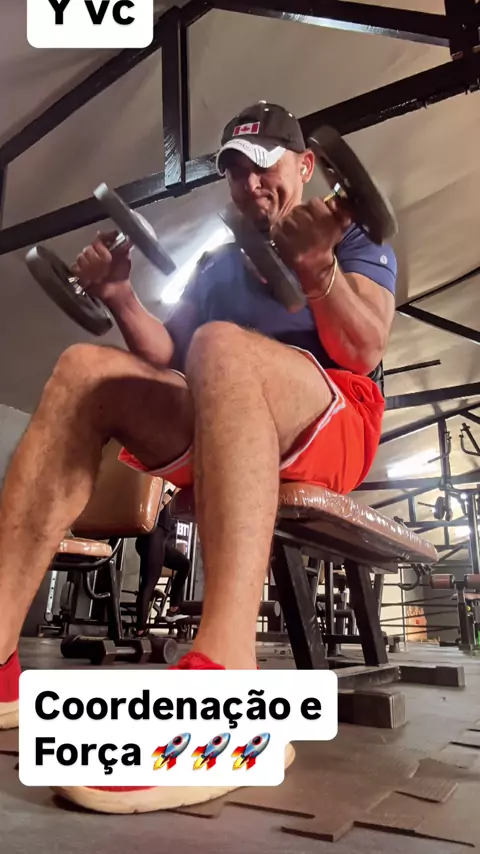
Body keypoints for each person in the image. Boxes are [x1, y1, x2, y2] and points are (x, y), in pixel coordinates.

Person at [0, 102, 396, 812]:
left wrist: (320, 272)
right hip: (224, 408)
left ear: (306, 166)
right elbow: (165, 356)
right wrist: (120, 296)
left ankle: (229, 694)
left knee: (221, 346)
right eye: (236, 171)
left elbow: (363, 349)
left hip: (332, 415)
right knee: (84, 368)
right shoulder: (218, 264)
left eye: (265, 165)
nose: (251, 184)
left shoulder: (351, 234)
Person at [135, 487, 190, 632]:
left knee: (184, 564)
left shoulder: (172, 495)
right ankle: (140, 629)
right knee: (149, 582)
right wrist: (165, 499)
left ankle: (173, 609)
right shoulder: (161, 490)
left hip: (160, 541)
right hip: (152, 537)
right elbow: (147, 511)